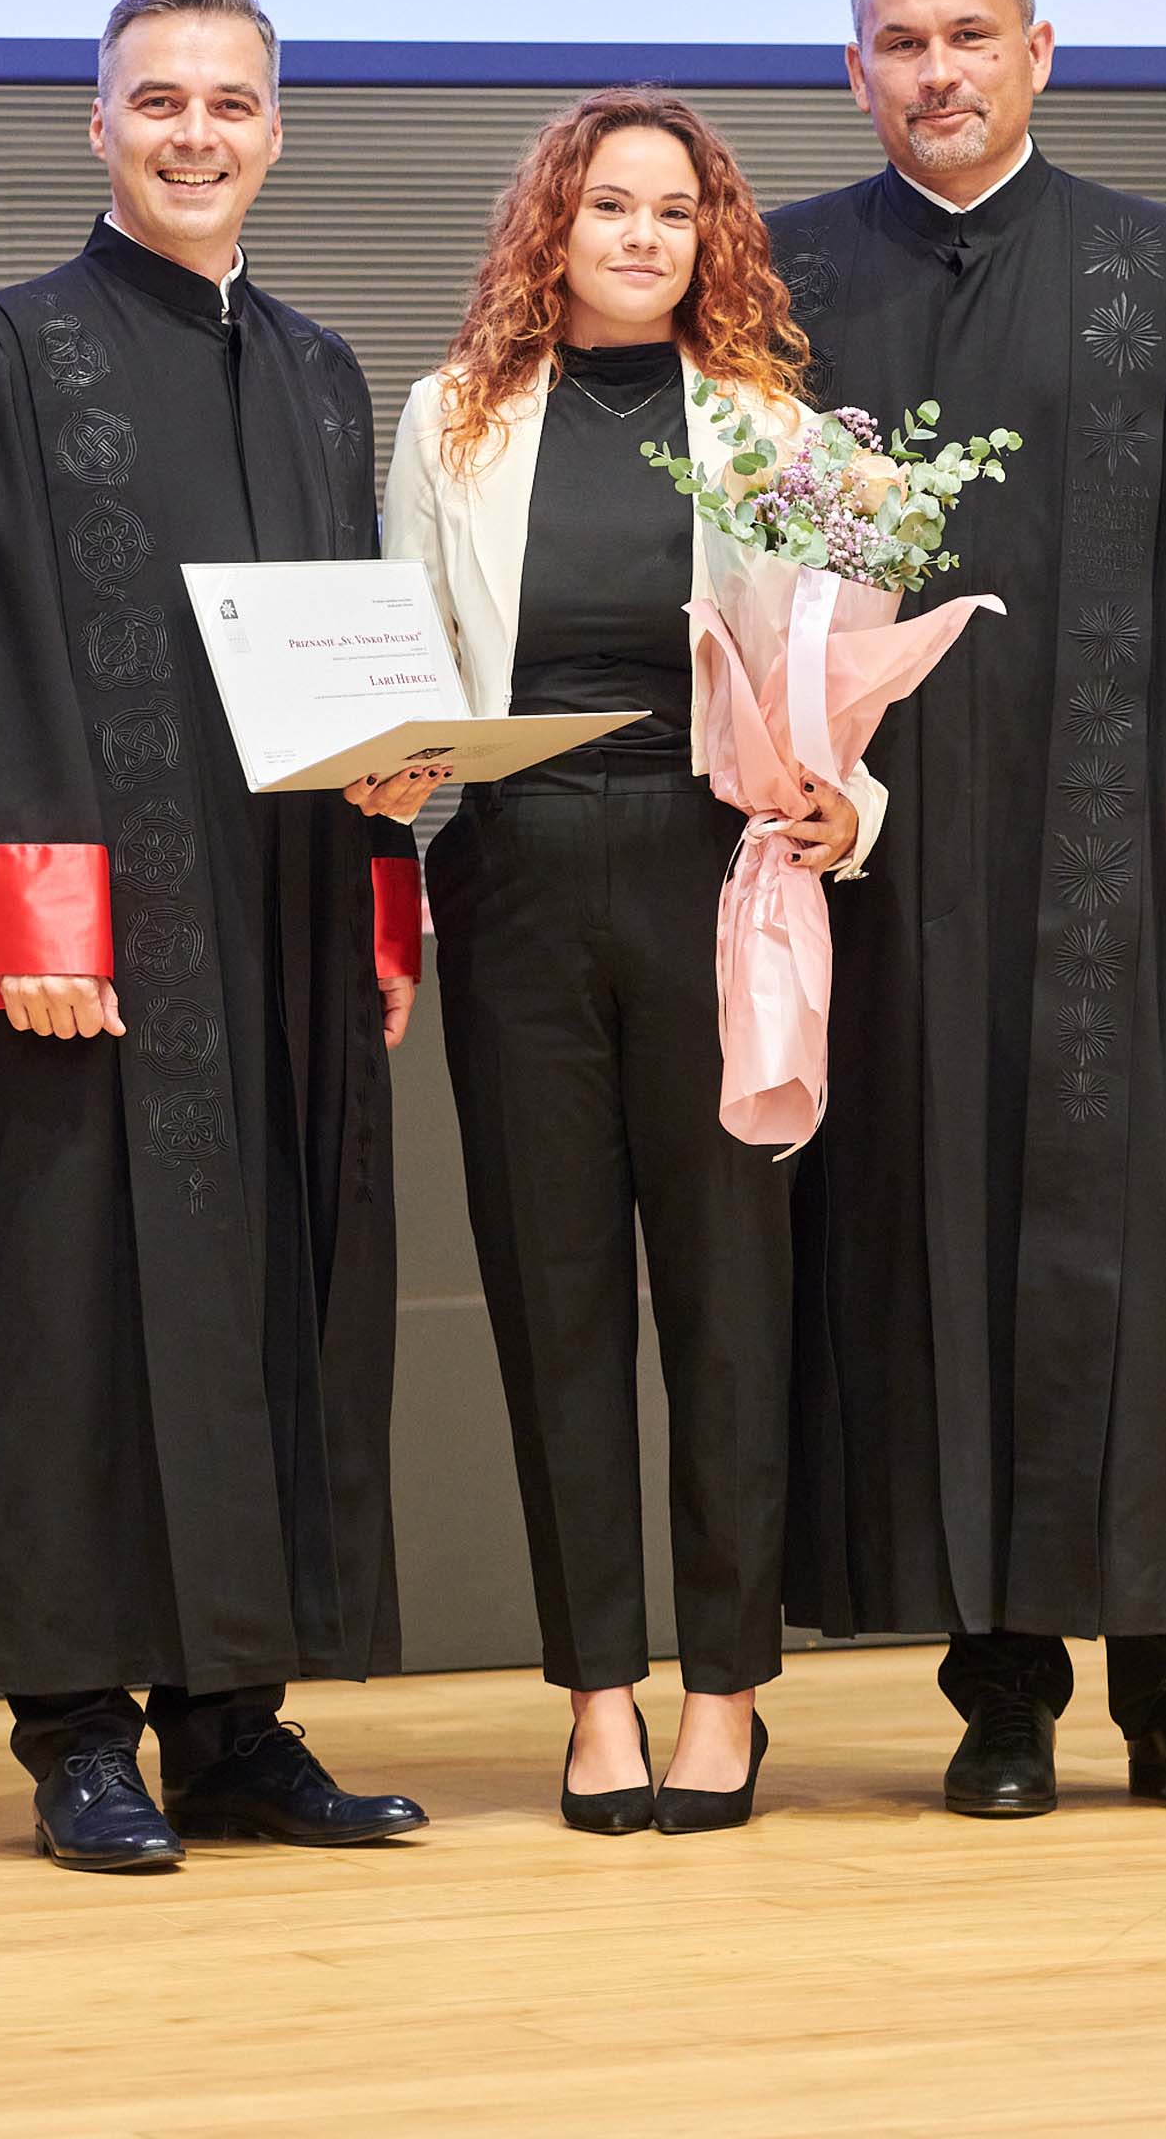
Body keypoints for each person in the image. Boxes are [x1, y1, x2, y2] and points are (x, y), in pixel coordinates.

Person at [0, 0, 436, 1871]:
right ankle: (80, 1732)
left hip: (275, 919)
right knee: (70, 1310)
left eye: (231, 103)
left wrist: (385, 870)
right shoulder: (0, 353)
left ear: (277, 133)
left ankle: (235, 1727)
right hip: (91, 935)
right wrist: (27, 914)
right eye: (159, 100)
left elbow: (346, 659)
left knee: (268, 1294)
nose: (197, 134)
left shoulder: (322, 372)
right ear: (95, 123)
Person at [767, 0, 1166, 1818]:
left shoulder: (1164, 268)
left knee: (1156, 1259)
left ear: (1039, 50)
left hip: (1116, 854)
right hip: (893, 853)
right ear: (854, 70)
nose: (936, 71)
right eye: (900, 42)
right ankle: (1000, 1692)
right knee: (933, 1248)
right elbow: (741, 564)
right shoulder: (786, 277)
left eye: (969, 35)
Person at [370, 89, 881, 1834]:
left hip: (711, 878)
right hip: (512, 879)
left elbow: (833, 690)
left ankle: (725, 1693)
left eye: (676, 210)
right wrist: (388, 766)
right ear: (555, 228)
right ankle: (598, 1694)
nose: (644, 235)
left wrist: (850, 806)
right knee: (555, 1298)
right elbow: (406, 658)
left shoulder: (772, 426)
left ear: (709, 236)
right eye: (610, 206)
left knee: (734, 1299)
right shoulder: (451, 415)